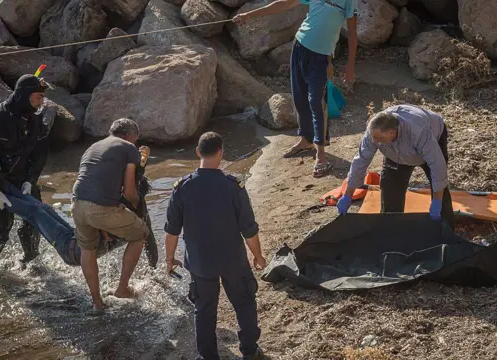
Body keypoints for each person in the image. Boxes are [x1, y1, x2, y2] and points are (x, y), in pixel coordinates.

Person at [164, 132, 267, 360]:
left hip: (201, 263)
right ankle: (250, 351)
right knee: (244, 303)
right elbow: (248, 228)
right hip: (233, 260)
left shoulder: (182, 188)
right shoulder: (233, 186)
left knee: (204, 310)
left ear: (198, 152)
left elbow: (171, 231)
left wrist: (169, 259)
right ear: (221, 152)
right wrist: (258, 256)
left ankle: (208, 356)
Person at [233, 0, 358, 178]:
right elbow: (283, 4)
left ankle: (321, 154)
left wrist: (350, 64)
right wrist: (249, 15)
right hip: (300, 47)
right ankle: (306, 140)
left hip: (321, 58)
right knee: (299, 99)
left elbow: (352, 33)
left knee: (316, 101)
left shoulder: (348, 1)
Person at [0, 73, 51, 269]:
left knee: (36, 219)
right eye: (38, 97)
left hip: (20, 178)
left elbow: (40, 154)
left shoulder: (35, 120)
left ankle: (29, 262)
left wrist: (30, 180)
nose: (42, 102)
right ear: (25, 95)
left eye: (42, 98)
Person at [71, 118, 149, 310]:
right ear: (130, 136)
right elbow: (129, 192)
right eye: (135, 139)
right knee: (140, 234)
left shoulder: (93, 147)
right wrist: (138, 205)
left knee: (88, 249)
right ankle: (122, 288)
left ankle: (97, 302)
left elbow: (91, 180)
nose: (135, 144)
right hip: (101, 208)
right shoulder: (129, 148)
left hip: (76, 204)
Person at [337, 104, 456, 230]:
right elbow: (360, 160)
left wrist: (437, 201)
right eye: (373, 138)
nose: (374, 141)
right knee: (390, 188)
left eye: (378, 138)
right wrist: (348, 194)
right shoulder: (373, 132)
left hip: (431, 138)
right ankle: (391, 229)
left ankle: (446, 229)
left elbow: (438, 166)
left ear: (391, 133)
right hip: (395, 153)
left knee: (439, 190)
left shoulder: (418, 131)